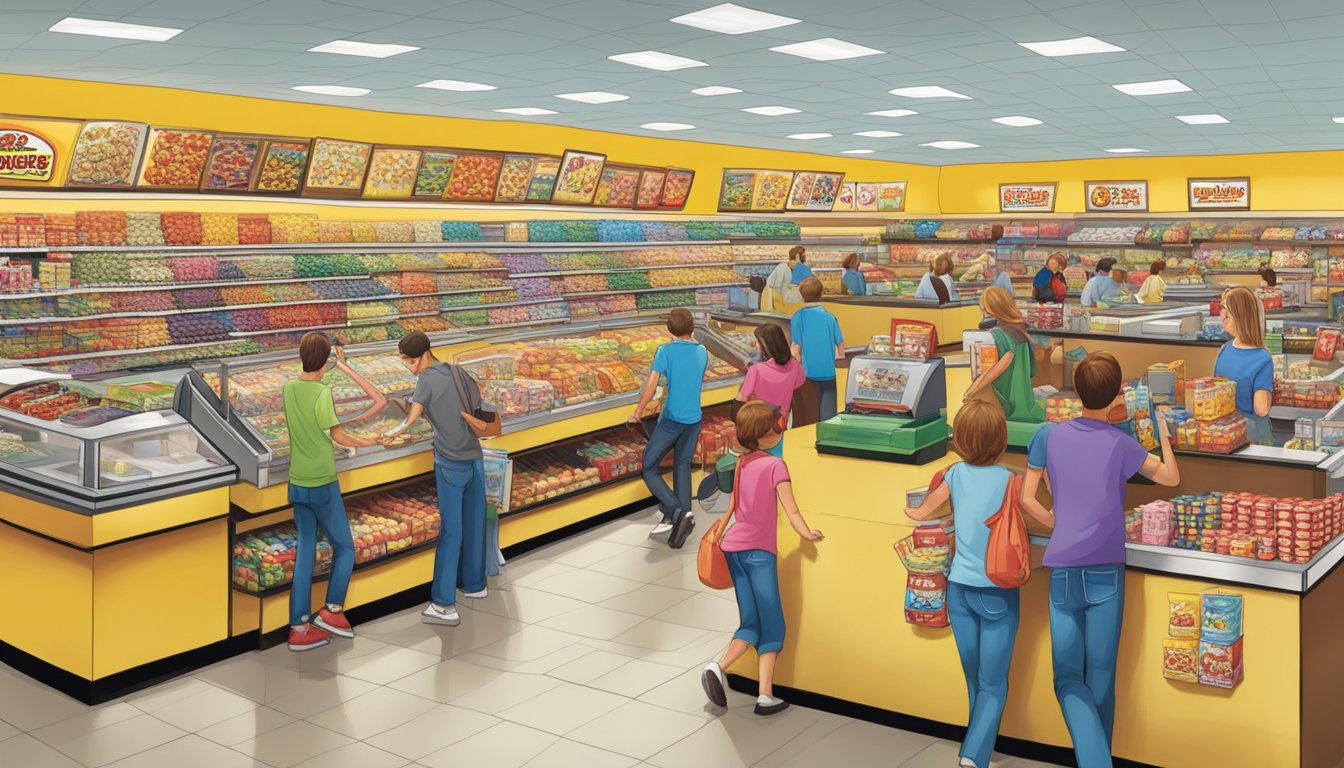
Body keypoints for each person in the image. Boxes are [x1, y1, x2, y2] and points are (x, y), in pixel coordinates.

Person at [1022, 352, 1181, 768]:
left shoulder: (1047, 435)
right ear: (1117, 396)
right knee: (1103, 679)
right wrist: (1163, 432)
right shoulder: (1122, 444)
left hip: (1063, 567)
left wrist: (1052, 519)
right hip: (1107, 569)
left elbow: (1027, 498)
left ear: (1075, 389)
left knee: (1067, 677)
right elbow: (1170, 477)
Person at [905, 400, 1049, 768]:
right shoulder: (1011, 482)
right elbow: (1046, 519)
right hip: (997, 591)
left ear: (959, 441)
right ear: (1001, 440)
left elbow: (920, 511)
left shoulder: (953, 475)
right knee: (993, 682)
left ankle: (978, 740)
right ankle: (973, 756)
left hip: (958, 590)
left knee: (975, 679)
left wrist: (912, 511)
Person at [701, 400, 823, 717]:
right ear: (766, 434)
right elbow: (791, 509)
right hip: (758, 554)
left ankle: (720, 668)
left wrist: (722, 533)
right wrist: (807, 533)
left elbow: (733, 505)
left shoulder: (742, 463)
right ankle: (762, 694)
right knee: (773, 626)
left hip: (733, 549)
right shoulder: (775, 466)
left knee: (751, 622)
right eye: (778, 427)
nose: (781, 430)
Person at [383, 331, 501, 626]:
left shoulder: (426, 380)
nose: (409, 367)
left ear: (424, 355)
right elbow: (480, 411)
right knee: (473, 525)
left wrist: (392, 433)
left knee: (451, 531)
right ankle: (475, 586)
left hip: (449, 463)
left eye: (410, 361)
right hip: (475, 460)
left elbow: (412, 417)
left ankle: (443, 603)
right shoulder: (459, 372)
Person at [283, 333, 383, 651]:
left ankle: (298, 628)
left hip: (297, 481)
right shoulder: (321, 393)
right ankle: (331, 612)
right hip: (323, 481)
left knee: (305, 553)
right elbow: (339, 436)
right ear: (325, 359)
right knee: (345, 547)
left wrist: (333, 363)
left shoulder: (288, 388)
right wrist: (374, 441)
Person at [630, 308, 708, 548]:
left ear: (668, 329)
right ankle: (686, 515)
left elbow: (652, 386)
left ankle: (674, 510)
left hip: (673, 418)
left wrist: (638, 413)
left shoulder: (664, 351)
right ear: (691, 328)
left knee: (649, 466)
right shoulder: (702, 351)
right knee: (682, 466)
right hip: (694, 418)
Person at [963, 286, 1045, 423]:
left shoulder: (996, 334)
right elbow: (1032, 370)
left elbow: (992, 372)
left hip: (1004, 397)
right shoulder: (1020, 330)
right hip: (1023, 398)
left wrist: (972, 390)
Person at [1214, 286, 1274, 445]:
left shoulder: (1224, 350)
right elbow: (1261, 410)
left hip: (1223, 433)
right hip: (1253, 436)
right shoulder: (1263, 358)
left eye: (1225, 309)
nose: (1222, 314)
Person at [737, 323, 805, 458]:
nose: (757, 346)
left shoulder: (756, 370)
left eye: (759, 343)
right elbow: (798, 391)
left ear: (767, 346)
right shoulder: (796, 367)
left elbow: (740, 400)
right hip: (780, 423)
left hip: (757, 424)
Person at [790, 277, 846, 422]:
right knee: (828, 412)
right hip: (828, 371)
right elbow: (841, 348)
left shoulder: (798, 317)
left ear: (801, 295)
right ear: (821, 293)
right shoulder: (830, 318)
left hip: (808, 373)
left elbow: (795, 348)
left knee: (810, 412)